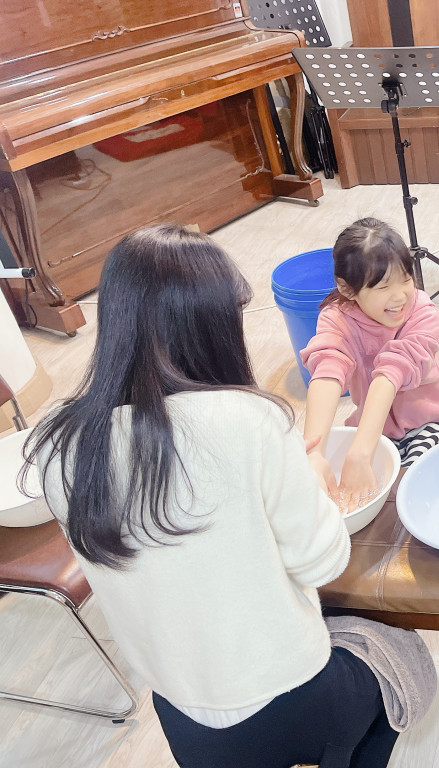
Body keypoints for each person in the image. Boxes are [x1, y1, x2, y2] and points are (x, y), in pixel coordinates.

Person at [23, 225, 399, 768]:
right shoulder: (249, 420)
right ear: (211, 325)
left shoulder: (59, 443)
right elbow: (322, 562)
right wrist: (307, 485)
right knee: (403, 660)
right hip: (287, 695)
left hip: (183, 718)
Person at [301, 217, 439, 501]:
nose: (400, 296)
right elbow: (327, 371)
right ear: (347, 289)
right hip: (374, 429)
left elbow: (391, 372)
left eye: (406, 279)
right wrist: (313, 453)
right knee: (340, 483)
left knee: (415, 489)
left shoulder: (422, 313)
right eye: (382, 287)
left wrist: (360, 453)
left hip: (431, 423)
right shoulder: (336, 319)